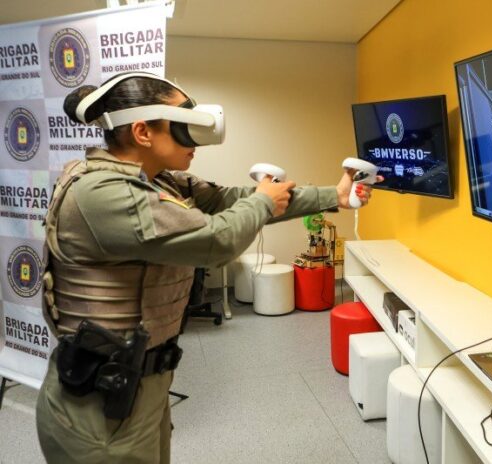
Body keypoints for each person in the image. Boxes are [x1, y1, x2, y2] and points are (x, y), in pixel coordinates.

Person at [35, 72, 379, 463]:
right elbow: (217, 240)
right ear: (142, 132)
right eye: (183, 128)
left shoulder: (158, 181)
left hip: (138, 388)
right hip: (98, 410)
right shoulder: (101, 192)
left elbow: (233, 199)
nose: (195, 142)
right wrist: (263, 201)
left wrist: (334, 195)